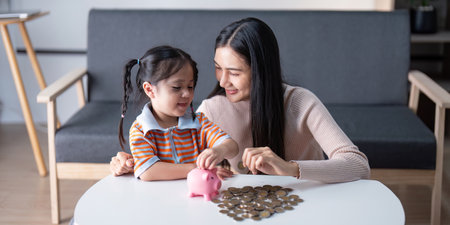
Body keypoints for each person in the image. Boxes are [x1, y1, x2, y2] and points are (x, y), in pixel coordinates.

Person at [111, 18, 370, 183]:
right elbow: (175, 161)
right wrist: (128, 162)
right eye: (217, 68)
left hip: (309, 205)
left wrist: (290, 168)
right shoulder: (211, 109)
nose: (223, 82)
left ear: (262, 70)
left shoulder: (300, 102)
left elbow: (358, 166)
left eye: (234, 72)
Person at [118, 45, 238, 181]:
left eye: (190, 86)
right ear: (150, 90)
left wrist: (219, 151)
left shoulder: (198, 122)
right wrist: (196, 168)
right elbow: (148, 171)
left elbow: (232, 147)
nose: (187, 94)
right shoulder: (140, 130)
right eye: (176, 87)